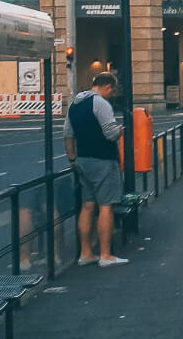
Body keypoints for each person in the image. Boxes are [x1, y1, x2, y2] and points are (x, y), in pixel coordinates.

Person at [64, 72, 128, 268]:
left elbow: (68, 134)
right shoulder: (101, 103)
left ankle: (85, 253)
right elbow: (110, 134)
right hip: (103, 160)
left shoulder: (74, 104)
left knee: (87, 206)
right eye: (112, 91)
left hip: (82, 160)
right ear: (107, 86)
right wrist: (120, 130)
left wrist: (72, 158)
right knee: (106, 206)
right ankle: (105, 255)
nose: (112, 94)